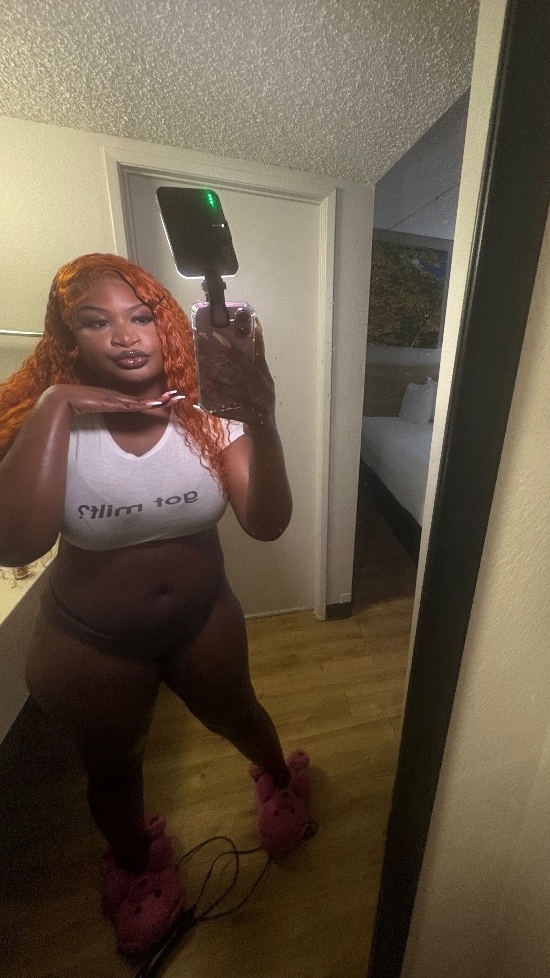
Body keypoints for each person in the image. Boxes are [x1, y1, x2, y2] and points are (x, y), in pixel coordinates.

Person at [0, 253, 311, 955]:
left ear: (165, 324)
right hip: (89, 640)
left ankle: (279, 780)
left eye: (140, 316)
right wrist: (57, 404)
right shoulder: (51, 423)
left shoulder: (207, 414)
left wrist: (260, 416)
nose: (124, 335)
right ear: (68, 339)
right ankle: (137, 866)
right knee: (114, 766)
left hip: (202, 619)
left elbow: (266, 523)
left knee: (241, 714)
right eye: (95, 322)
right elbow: (15, 541)